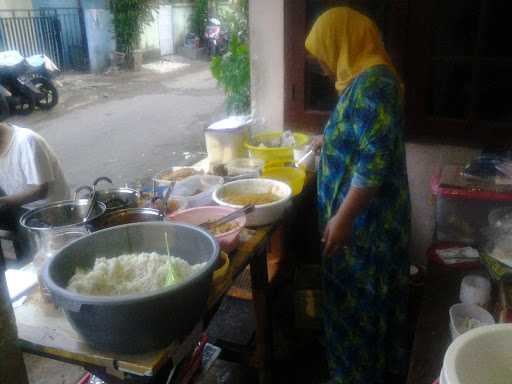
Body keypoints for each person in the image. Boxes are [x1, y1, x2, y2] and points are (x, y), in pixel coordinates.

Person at [305, 7, 411, 384]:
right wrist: (327, 139)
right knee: (352, 304)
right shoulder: (361, 79)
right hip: (357, 226)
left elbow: (373, 164)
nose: (321, 65)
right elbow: (361, 134)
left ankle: (360, 376)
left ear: (342, 41)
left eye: (323, 53)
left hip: (367, 229)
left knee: (361, 308)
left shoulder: (376, 84)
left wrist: (344, 218)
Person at [0, 122, 69, 260]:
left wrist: (3, 202)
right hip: (20, 209)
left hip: (50, 214)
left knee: (46, 259)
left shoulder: (27, 141)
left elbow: (40, 191)